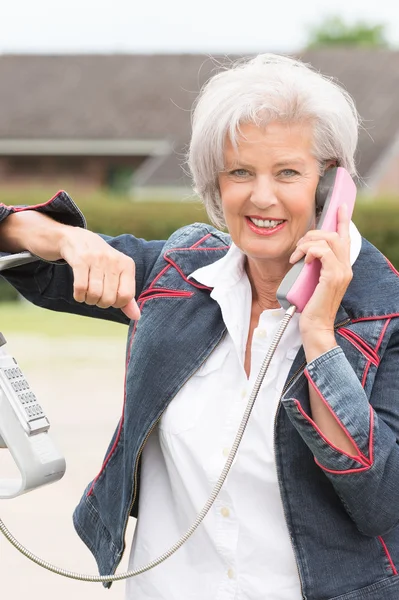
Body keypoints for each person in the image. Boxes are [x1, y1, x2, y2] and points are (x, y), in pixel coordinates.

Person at [1, 53, 399, 600]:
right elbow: (18, 244)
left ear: (332, 189)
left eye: (287, 172)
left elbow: (381, 499)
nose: (261, 197)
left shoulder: (387, 315)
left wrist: (320, 337)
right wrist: (68, 239)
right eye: (240, 172)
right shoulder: (179, 273)